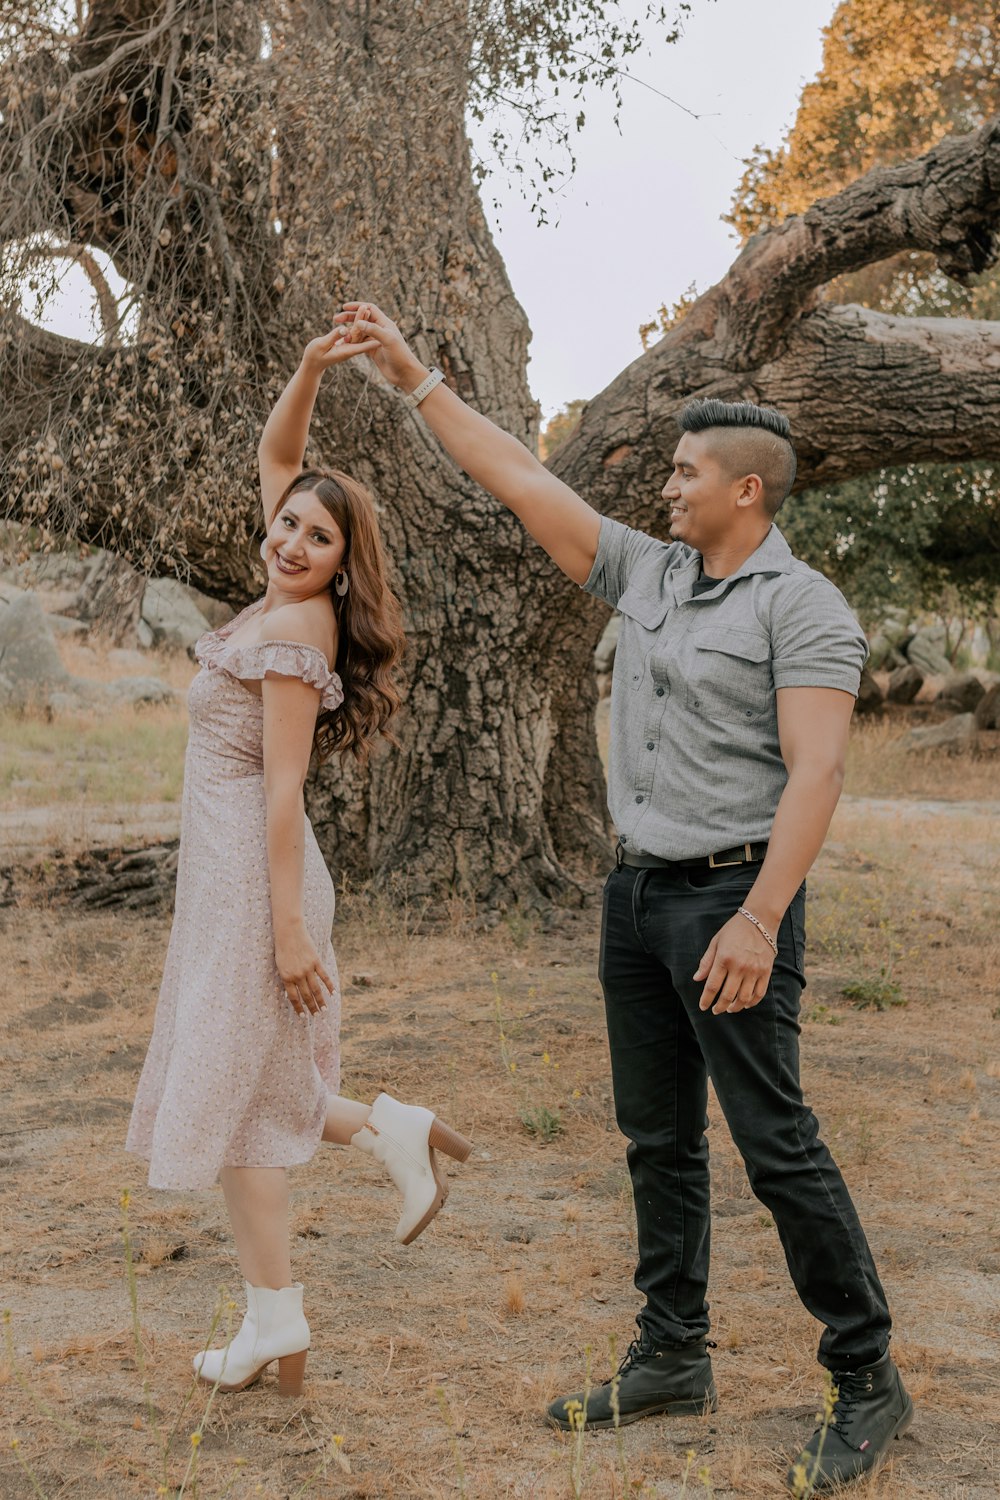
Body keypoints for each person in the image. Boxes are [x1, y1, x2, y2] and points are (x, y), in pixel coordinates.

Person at [327, 301, 912, 1493]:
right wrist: (411, 378)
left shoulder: (801, 608)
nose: (666, 483)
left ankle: (866, 1376)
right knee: (657, 1143)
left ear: (747, 491)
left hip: (732, 902)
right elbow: (514, 478)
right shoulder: (648, 570)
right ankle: (671, 1359)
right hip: (636, 897)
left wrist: (757, 918)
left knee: (773, 1143)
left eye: (687, 470)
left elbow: (819, 771)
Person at [125, 328, 471, 1399]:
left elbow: (281, 791)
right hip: (229, 879)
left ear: (340, 559)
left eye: (316, 535)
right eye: (286, 523)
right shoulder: (283, 587)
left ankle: (276, 1320)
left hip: (254, 881)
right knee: (253, 1089)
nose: (289, 538)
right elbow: (282, 456)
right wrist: (314, 370)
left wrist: (285, 931)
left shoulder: (299, 633)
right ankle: (384, 1138)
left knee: (240, 1106)